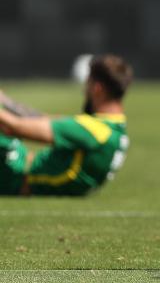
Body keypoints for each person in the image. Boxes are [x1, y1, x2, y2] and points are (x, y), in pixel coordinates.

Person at [0, 54, 132, 196]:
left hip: (15, 179)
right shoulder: (113, 128)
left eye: (88, 84)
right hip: (23, 163)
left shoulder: (93, 130)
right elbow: (41, 119)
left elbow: (15, 127)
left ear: (97, 89)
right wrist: (6, 101)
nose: (84, 91)